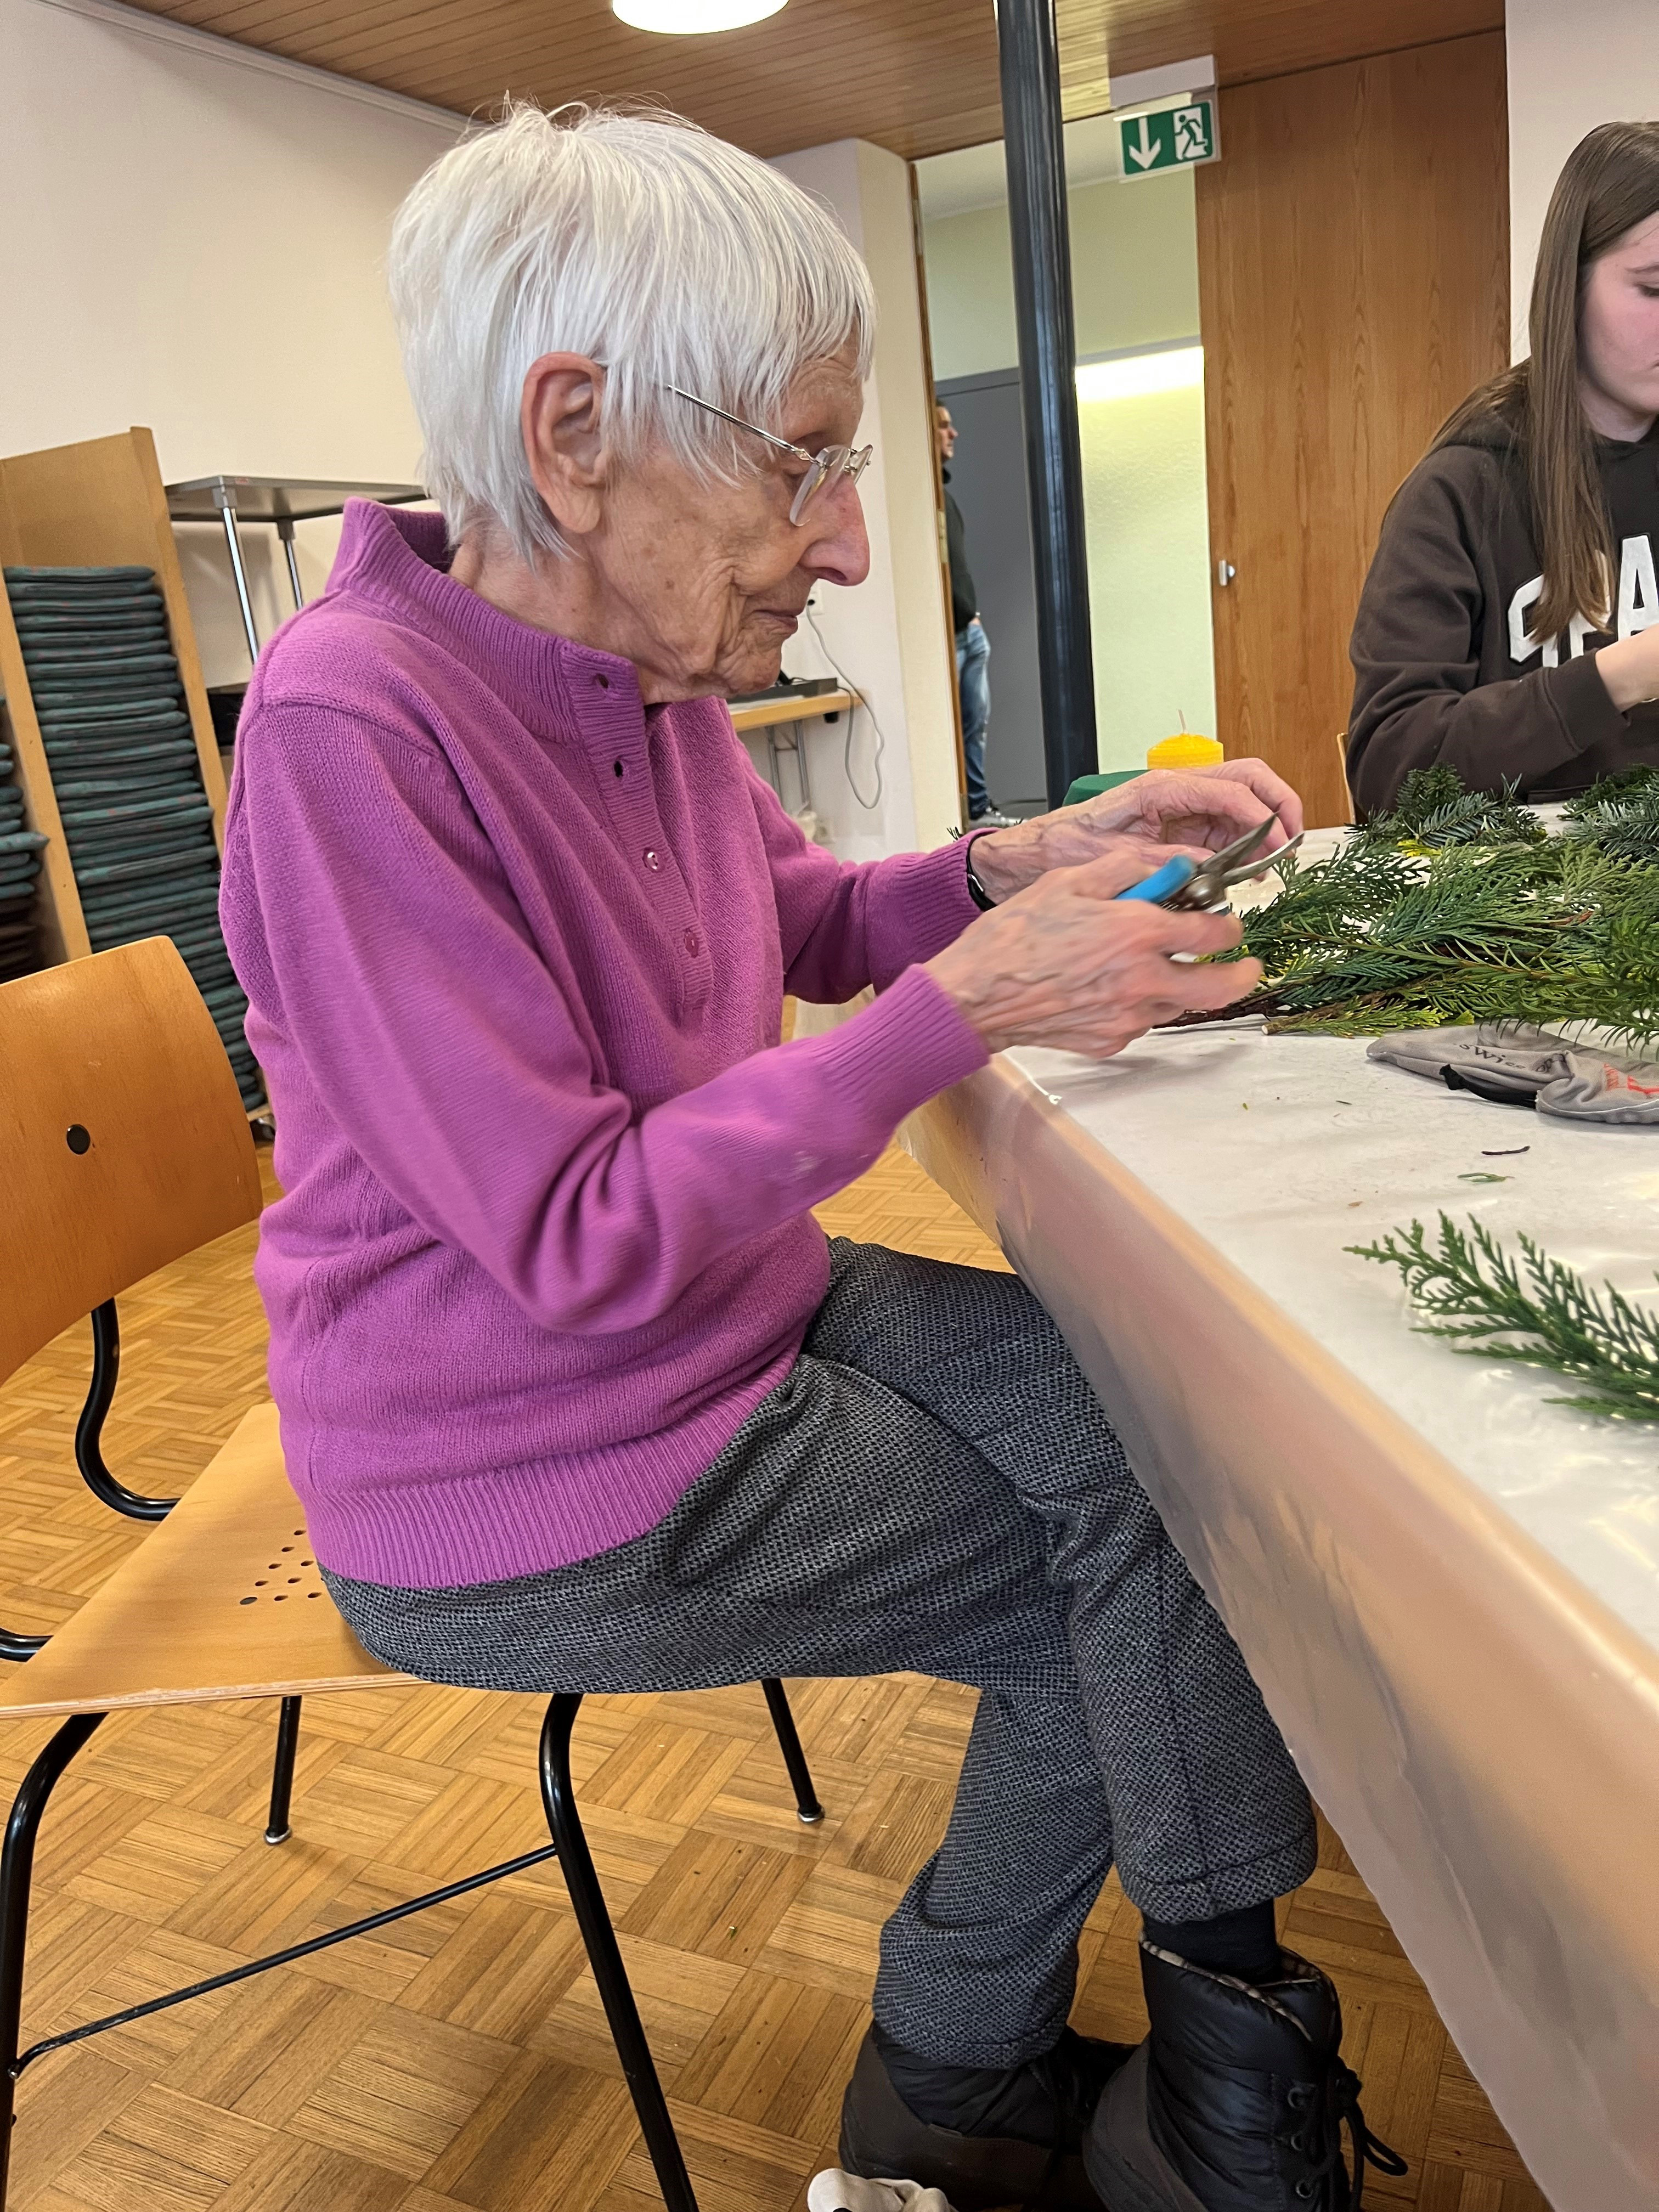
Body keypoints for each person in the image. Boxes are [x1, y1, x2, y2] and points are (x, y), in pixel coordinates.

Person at [219, 104, 1395, 2212]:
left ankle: (1117, 2061)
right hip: (522, 1450)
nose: (847, 544)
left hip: (718, 1312)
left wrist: (1011, 865)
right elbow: (572, 1235)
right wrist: (974, 1004)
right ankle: (1047, 2078)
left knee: (1155, 1439)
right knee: (1117, 1577)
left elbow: (800, 920)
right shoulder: (353, 732)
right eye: (803, 462)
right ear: (574, 434)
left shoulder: (638, 665)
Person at [1348, 120, 1659, 814]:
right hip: (1525, 882)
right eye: (1655, 289)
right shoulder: (1459, 493)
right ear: (1567, 288)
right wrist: (1619, 675)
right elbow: (1388, 771)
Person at [936, 404, 1016, 828]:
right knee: (948, 731)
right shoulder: (922, 501)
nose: (954, 434)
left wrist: (974, 616)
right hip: (945, 639)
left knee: (975, 727)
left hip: (969, 632)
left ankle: (979, 812)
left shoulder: (945, 500)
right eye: (944, 426)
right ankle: (955, 817)